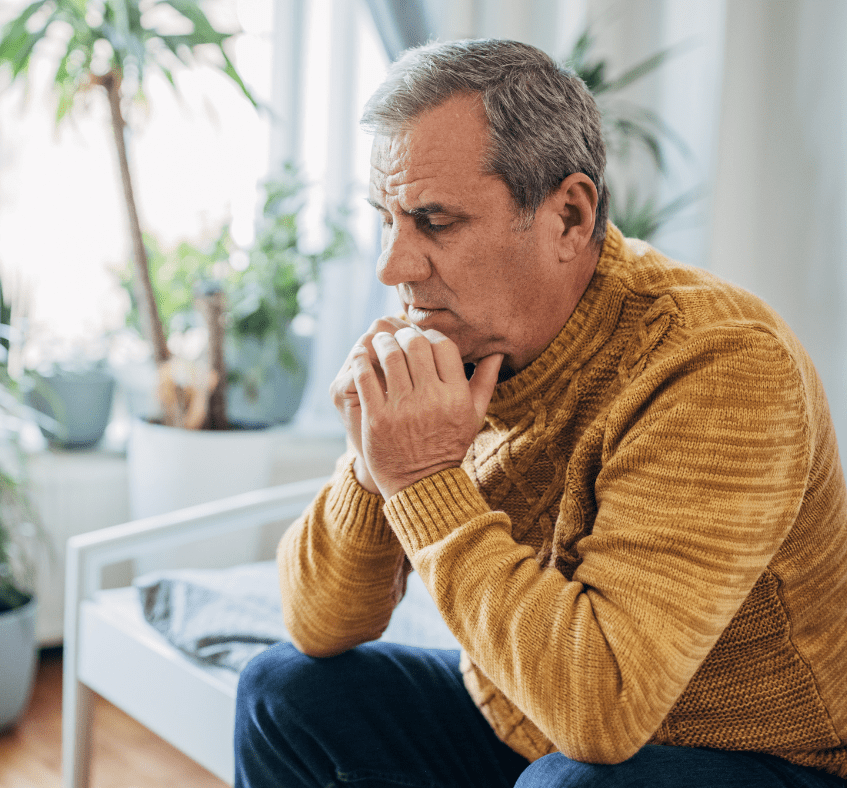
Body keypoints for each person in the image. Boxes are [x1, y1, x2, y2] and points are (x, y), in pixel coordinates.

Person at [234, 38, 847, 788]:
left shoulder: (719, 366)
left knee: (570, 785)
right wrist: (375, 463)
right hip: (532, 724)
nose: (393, 266)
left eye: (434, 220)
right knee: (282, 693)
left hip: (757, 760)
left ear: (568, 216)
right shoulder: (461, 341)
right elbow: (318, 624)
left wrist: (426, 479)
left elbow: (601, 712)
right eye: (387, 219)